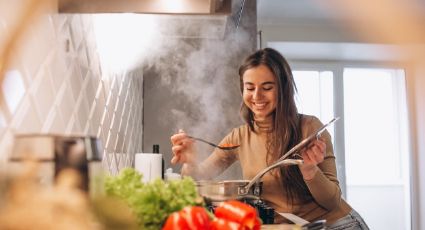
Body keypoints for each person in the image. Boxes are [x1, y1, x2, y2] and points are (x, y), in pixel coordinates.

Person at [170, 48, 369, 229]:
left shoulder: (309, 128)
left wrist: (310, 170)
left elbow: (332, 201)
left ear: (283, 89)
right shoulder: (239, 137)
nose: (257, 96)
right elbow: (199, 177)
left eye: (267, 87)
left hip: (337, 225)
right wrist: (190, 162)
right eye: (250, 87)